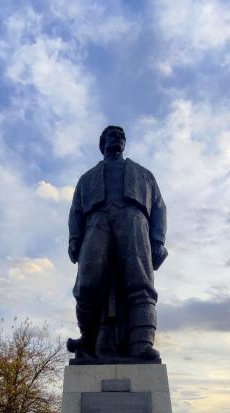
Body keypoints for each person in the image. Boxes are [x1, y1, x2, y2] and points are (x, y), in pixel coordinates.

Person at [67, 125, 168, 361]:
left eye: (122, 135)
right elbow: (76, 212)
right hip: (96, 223)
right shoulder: (87, 178)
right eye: (112, 135)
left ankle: (141, 343)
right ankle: (88, 338)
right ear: (102, 144)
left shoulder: (144, 174)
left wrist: (158, 240)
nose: (118, 138)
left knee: (140, 284)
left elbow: (159, 208)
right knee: (86, 286)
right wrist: (74, 239)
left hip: (134, 223)